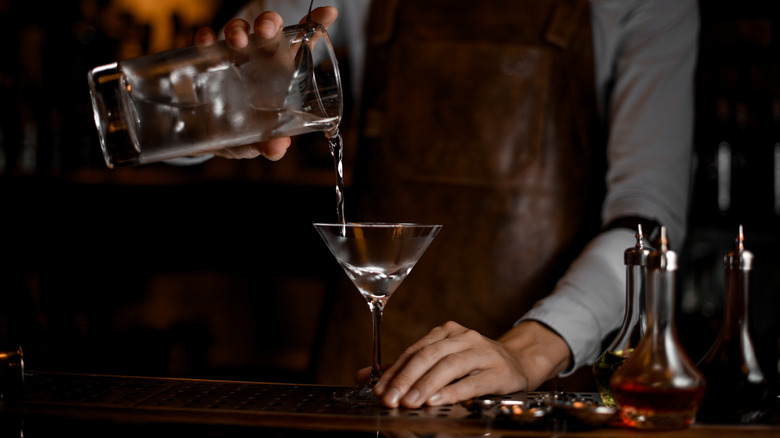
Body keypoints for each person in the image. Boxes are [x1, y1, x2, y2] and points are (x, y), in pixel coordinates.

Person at [194, 0, 699, 409]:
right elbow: (222, 79)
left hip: (531, 394)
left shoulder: (646, 7)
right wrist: (214, 107)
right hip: (361, 378)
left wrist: (528, 351)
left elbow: (646, 221)